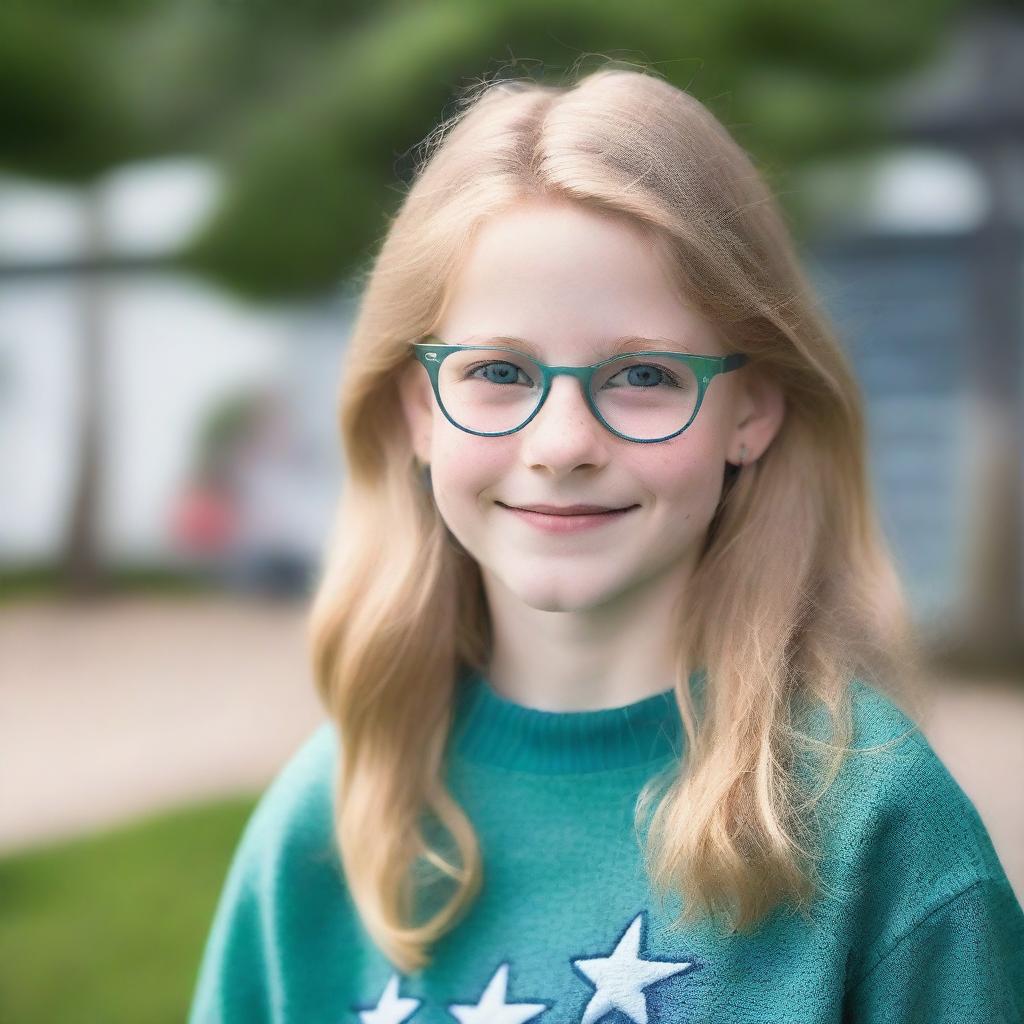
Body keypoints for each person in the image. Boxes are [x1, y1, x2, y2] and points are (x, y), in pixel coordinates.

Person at [186, 64, 1024, 1023]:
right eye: (498, 370)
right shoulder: (324, 823)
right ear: (421, 409)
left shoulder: (879, 826)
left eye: (644, 376)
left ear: (750, 411)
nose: (563, 447)